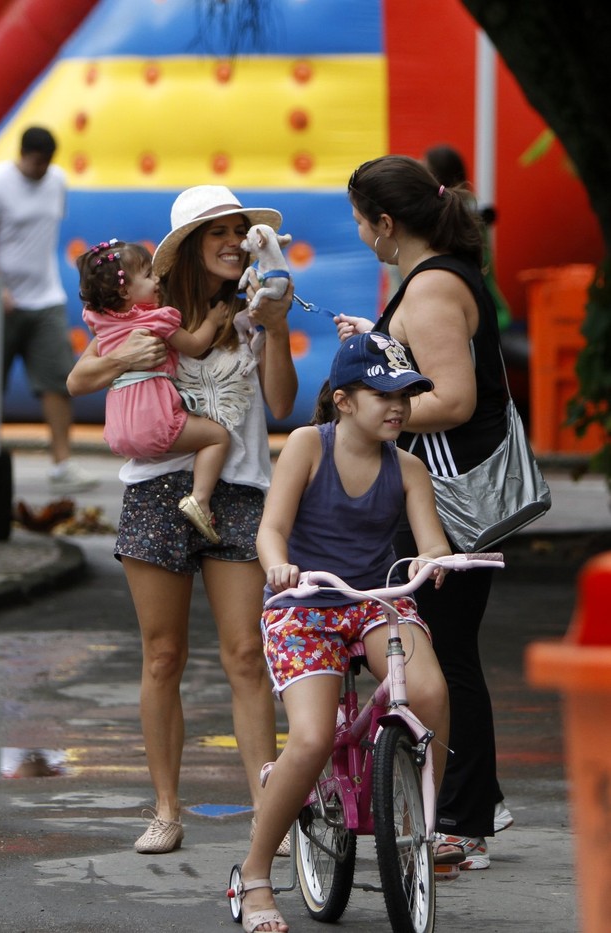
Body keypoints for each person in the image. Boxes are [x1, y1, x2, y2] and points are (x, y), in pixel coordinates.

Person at [67, 185, 298, 854]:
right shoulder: (141, 311)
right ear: (190, 245)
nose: (233, 239)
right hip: (153, 490)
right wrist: (121, 358)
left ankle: (266, 806)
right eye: (216, 230)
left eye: (239, 228)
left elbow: (281, 402)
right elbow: (80, 375)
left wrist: (275, 324)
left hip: (239, 488)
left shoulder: (255, 304)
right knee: (162, 654)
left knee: (247, 654)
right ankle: (166, 809)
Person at [235, 332, 460, 933]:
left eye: (407, 395)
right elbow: (270, 530)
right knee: (309, 740)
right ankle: (255, 877)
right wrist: (279, 565)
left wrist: (430, 560)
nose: (398, 406)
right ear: (342, 400)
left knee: (431, 693)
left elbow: (430, 537)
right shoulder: (309, 445)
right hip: (305, 602)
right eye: (383, 393)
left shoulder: (408, 466)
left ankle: (417, 820)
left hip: (374, 600)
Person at [334, 154, 512, 869]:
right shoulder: (433, 279)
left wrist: (377, 412)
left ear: (385, 223)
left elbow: (455, 400)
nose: (359, 234)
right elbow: (424, 372)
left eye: (359, 221)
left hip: (451, 498)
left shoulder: (433, 285)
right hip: (448, 494)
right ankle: (474, 803)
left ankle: (463, 819)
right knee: (445, 648)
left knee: (445, 656)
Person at [78, 238, 230, 542]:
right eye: (148, 275)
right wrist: (213, 320)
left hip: (120, 430)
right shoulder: (156, 319)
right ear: (125, 291)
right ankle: (199, 499)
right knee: (218, 437)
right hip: (154, 421)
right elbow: (196, 345)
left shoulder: (101, 323)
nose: (157, 279)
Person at [0, 125, 97, 493]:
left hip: (46, 298)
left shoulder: (57, 181)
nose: (42, 169)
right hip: (1, 302)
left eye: (48, 162)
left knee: (57, 380)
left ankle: (62, 463)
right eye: (37, 161)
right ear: (23, 155)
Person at [423, 144, 512, 332]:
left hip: (475, 309)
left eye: (427, 170)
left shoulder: (464, 211)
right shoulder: (464, 207)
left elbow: (480, 264)